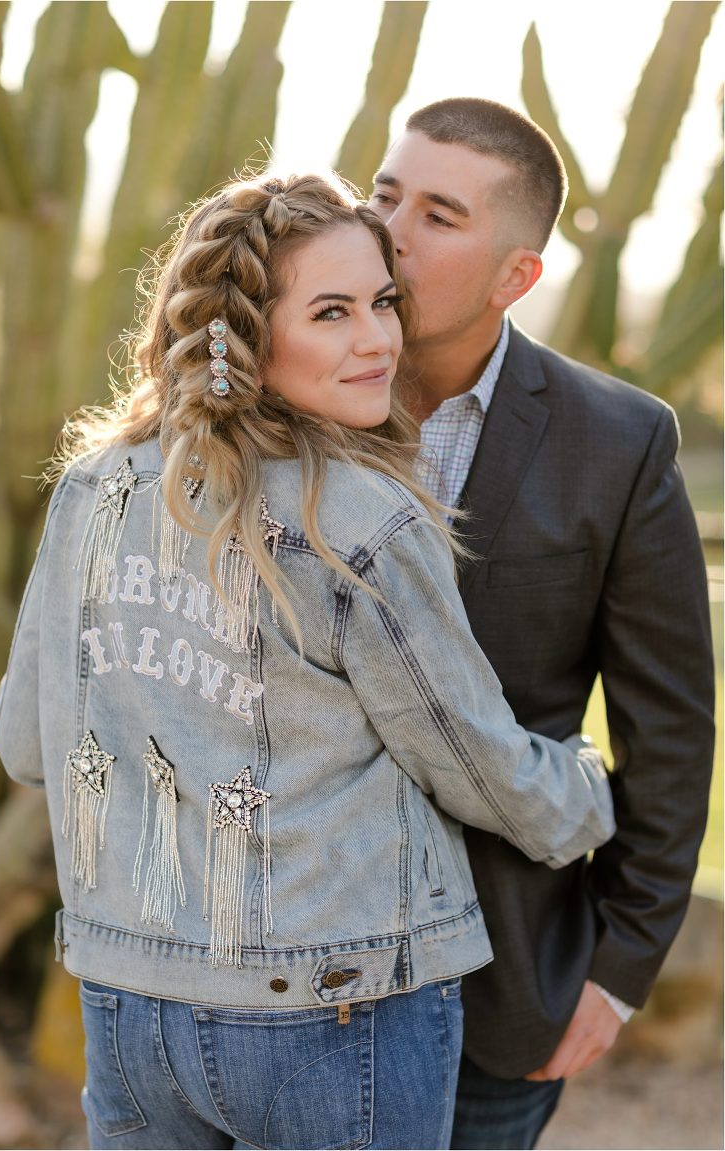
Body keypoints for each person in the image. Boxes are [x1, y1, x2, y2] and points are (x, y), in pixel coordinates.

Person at [0, 172, 615, 1151]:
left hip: (135, 1005)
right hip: (335, 1008)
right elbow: (480, 764)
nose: (378, 340)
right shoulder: (357, 518)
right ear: (239, 336)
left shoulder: (93, 490)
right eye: (332, 312)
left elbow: (26, 739)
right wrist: (588, 787)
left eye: (382, 303)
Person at [368, 97, 715, 1150]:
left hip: (503, 981)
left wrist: (618, 971)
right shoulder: (278, 407)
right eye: (383, 193)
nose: (390, 231)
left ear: (517, 274)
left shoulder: (619, 442)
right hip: (269, 976)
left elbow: (670, 728)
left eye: (438, 213)